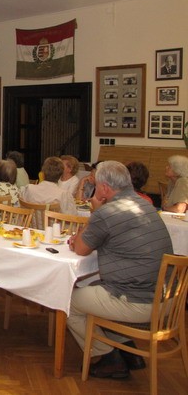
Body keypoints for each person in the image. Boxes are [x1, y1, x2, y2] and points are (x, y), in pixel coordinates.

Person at [66, 161, 172, 379]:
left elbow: (81, 249)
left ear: (104, 188)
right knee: (93, 287)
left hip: (140, 302)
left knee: (66, 301)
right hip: (166, 298)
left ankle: (107, 357)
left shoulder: (107, 212)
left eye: (97, 185)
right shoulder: (145, 205)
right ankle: (127, 349)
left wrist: (95, 214)